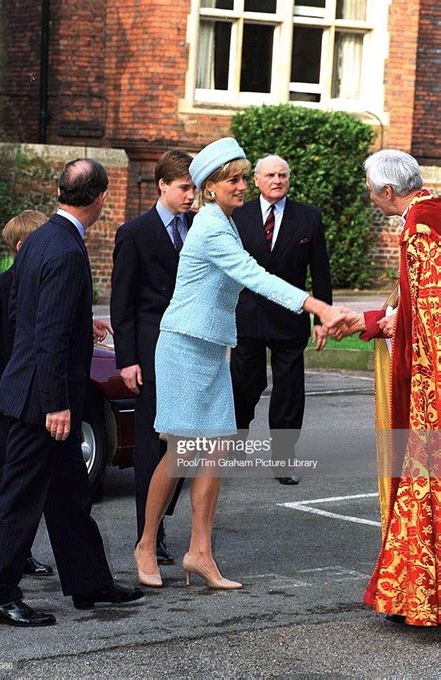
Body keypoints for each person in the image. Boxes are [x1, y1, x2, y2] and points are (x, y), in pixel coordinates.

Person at [133, 137, 354, 590]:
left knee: (216, 450)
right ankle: (146, 544)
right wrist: (319, 307)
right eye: (233, 179)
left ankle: (199, 552)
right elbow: (255, 277)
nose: (241, 185)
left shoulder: (223, 220)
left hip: (211, 348)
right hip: (183, 346)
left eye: (241, 177)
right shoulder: (213, 226)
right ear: (211, 186)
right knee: (180, 453)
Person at [0, 159, 144, 627]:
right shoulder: (65, 249)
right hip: (40, 402)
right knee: (19, 497)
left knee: (69, 495)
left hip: (33, 391)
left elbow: (28, 313)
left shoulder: (44, 237)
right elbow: (45, 334)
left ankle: (90, 583)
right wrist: (57, 405)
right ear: (102, 198)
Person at [337, 149, 440, 627]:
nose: (369, 196)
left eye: (370, 188)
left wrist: (377, 325)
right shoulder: (433, 210)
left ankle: (420, 596)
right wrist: (375, 321)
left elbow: (428, 321)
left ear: (387, 192)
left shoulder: (418, 227)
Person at [111, 150, 195, 565]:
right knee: (152, 445)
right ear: (162, 185)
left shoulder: (200, 229)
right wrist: (127, 359)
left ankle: (160, 519)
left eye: (195, 188)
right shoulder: (134, 232)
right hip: (149, 352)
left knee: (184, 443)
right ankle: (152, 535)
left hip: (191, 350)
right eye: (184, 188)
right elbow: (121, 302)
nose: (191, 196)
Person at [231, 155, 332, 485]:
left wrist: (323, 317)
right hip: (247, 316)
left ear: (289, 180)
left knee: (289, 392)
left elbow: (320, 270)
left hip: (291, 318)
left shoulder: (309, 217)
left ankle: (283, 459)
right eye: (270, 175)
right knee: (245, 384)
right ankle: (237, 441)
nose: (277, 180)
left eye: (283, 175)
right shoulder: (237, 216)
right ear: (257, 180)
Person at [0, 210, 54, 578]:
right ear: (23, 246)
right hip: (3, 403)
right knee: (1, 483)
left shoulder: (43, 287)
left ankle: (20, 554)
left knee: (28, 485)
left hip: (32, 401)